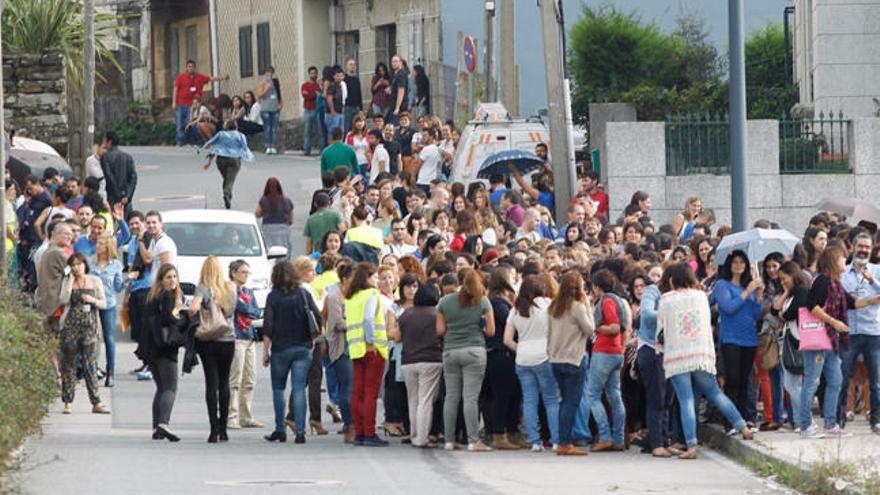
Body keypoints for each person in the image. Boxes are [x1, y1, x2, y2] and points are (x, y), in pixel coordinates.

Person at [659, 262, 753, 459]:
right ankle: (743, 426)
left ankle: (692, 446)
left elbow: (661, 328)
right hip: (701, 353)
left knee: (686, 399)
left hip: (677, 356)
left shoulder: (666, 299)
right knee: (715, 394)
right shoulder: (701, 296)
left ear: (671, 280)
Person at [802, 246, 880, 438]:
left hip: (831, 341)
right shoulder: (822, 281)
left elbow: (853, 303)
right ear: (832, 260)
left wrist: (874, 300)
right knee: (812, 382)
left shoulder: (836, 285)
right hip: (820, 339)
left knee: (836, 380)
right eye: (841, 258)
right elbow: (812, 306)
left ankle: (830, 424)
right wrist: (834, 322)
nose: (844, 260)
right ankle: (805, 425)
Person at [262, 261, 321, 444]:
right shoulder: (303, 294)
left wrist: (266, 350)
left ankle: (280, 429)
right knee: (298, 389)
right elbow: (317, 317)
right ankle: (301, 432)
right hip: (303, 348)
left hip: (280, 348)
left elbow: (268, 326)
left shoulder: (273, 297)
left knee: (279, 389)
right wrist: (312, 338)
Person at [436, 267, 495, 451]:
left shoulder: (445, 301)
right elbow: (491, 331)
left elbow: (440, 331)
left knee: (451, 396)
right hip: (475, 350)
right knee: (470, 397)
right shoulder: (483, 301)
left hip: (450, 351)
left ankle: (448, 439)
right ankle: (472, 440)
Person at [502, 273, 559, 452]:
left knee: (529, 400)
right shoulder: (549, 305)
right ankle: (556, 439)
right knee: (551, 400)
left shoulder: (515, 309)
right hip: (544, 356)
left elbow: (507, 340)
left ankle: (535, 441)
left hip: (523, 359)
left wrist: (522, 348)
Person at [188, 256, 237, 443]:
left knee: (211, 383)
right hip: (227, 339)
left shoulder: (203, 288)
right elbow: (231, 311)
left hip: (208, 340)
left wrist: (200, 311)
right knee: (225, 383)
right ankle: (224, 429)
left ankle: (213, 429)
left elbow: (192, 309)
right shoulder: (230, 288)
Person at [547, 270, 595, 455]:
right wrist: (588, 306)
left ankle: (562, 440)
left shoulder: (553, 307)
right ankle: (565, 443)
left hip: (556, 359)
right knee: (571, 402)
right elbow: (590, 330)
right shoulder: (577, 307)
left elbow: (549, 332)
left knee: (564, 401)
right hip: (574, 358)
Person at [714, 250, 764, 426]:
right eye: (735, 262)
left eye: (742, 262)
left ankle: (744, 419)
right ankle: (730, 420)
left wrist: (758, 297)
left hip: (749, 338)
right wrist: (748, 291)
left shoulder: (747, 287)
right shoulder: (722, 285)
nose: (738, 265)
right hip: (731, 338)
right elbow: (728, 307)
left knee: (745, 380)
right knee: (732, 379)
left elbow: (756, 314)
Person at [58, 253, 111, 415]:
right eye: (73, 265)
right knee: (69, 365)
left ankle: (96, 402)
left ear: (85, 265)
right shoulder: (68, 281)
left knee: (90, 365)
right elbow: (63, 300)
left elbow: (104, 303)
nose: (76, 268)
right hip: (70, 327)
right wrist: (70, 283)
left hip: (90, 328)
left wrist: (92, 300)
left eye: (79, 264)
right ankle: (67, 402)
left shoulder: (95, 281)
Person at [345, 262, 390, 447]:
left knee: (358, 392)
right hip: (373, 348)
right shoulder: (372, 294)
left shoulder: (352, 297)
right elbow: (369, 319)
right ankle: (369, 433)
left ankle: (360, 433)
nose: (377, 280)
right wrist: (371, 341)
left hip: (356, 349)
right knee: (371, 392)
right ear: (367, 278)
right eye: (375, 277)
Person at [839, 233, 880, 433]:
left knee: (875, 379)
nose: (864, 250)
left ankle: (876, 419)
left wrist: (873, 281)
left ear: (872, 249)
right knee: (843, 377)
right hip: (849, 332)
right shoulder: (843, 273)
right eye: (860, 246)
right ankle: (839, 419)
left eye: (867, 247)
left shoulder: (877, 271)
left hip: (872, 331)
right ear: (852, 247)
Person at [145, 263, 188, 442]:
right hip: (165, 348)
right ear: (161, 280)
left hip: (151, 348)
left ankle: (156, 427)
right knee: (170, 387)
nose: (172, 281)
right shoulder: (167, 296)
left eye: (174, 277)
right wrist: (179, 310)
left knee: (161, 388)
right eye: (168, 277)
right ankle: (163, 423)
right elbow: (168, 320)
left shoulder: (153, 296)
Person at [398, 281, 444, 448]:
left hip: (408, 360)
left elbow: (396, 337)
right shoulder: (437, 314)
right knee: (425, 400)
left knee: (413, 399)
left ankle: (415, 434)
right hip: (431, 359)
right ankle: (422, 438)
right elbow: (442, 334)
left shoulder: (406, 314)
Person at [587, 269, 628, 452]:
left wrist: (596, 327)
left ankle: (605, 436)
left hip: (604, 352)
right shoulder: (619, 300)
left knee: (593, 395)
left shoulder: (607, 301)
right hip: (617, 352)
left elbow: (614, 327)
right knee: (614, 396)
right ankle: (618, 438)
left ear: (597, 286)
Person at [771, 260, 809, 430]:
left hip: (798, 341)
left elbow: (790, 313)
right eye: (780, 280)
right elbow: (774, 310)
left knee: (793, 384)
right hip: (788, 342)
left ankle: (804, 421)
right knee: (792, 384)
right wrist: (786, 292)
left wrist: (783, 313)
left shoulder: (802, 291)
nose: (782, 281)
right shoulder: (791, 293)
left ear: (793, 275)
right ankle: (801, 421)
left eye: (784, 278)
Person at [635, 269, 670, 456]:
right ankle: (657, 443)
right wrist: (670, 313)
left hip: (667, 350)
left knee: (665, 399)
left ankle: (662, 440)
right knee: (656, 396)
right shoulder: (652, 291)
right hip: (650, 348)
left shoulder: (675, 295)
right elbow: (647, 314)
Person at [227, 259, 264, 430]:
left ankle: (246, 415)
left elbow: (256, 311)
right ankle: (231, 416)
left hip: (249, 335)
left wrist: (247, 308)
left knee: (250, 379)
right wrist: (247, 308)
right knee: (235, 378)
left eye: (248, 272)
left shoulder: (248, 291)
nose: (246, 275)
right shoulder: (229, 289)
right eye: (243, 272)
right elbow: (237, 307)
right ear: (234, 273)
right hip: (236, 336)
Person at [325, 260, 356, 443]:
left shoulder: (357, 296)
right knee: (347, 387)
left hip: (357, 347)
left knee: (355, 388)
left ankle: (354, 422)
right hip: (342, 349)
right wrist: (357, 324)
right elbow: (337, 323)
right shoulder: (335, 297)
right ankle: (348, 423)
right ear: (345, 279)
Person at [90, 234, 125, 387]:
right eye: (98, 243)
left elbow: (118, 287)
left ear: (108, 246)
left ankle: (110, 371)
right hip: (92, 303)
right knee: (92, 337)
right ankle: (92, 369)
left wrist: (126, 280)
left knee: (109, 338)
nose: (98, 245)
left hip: (108, 304)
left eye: (101, 243)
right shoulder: (91, 262)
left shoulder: (116, 264)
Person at [199, 120, 254, 209]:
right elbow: (245, 148)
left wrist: (209, 162)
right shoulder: (240, 135)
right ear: (236, 127)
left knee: (227, 178)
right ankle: (227, 194)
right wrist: (248, 157)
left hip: (221, 160)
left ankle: (228, 195)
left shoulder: (221, 134)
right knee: (230, 179)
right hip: (235, 160)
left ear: (226, 127)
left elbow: (214, 145)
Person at [173, 60, 228, 146]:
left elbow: (211, 78)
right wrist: (174, 102)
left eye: (192, 66)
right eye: (189, 66)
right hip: (181, 103)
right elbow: (175, 89)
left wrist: (223, 78)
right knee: (179, 124)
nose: (190, 68)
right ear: (186, 68)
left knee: (190, 123)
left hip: (193, 105)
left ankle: (195, 141)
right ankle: (179, 142)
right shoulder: (181, 77)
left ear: (195, 68)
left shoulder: (199, 77)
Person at [100, 131, 137, 215]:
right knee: (127, 221)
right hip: (126, 199)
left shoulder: (105, 157)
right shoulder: (127, 157)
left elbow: (108, 176)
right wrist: (127, 195)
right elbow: (133, 178)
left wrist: (118, 195)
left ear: (109, 141)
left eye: (105, 140)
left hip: (112, 197)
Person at [255, 177, 294, 256]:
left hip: (268, 228)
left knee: (269, 249)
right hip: (283, 228)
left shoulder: (264, 200)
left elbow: (257, 214)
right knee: (284, 248)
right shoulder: (286, 200)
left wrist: (265, 212)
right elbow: (291, 220)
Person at [142, 211, 177, 281]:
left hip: (163, 287)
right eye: (148, 223)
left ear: (161, 224)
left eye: (154, 222)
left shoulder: (165, 242)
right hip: (155, 286)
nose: (151, 225)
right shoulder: (153, 241)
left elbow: (167, 270)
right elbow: (148, 262)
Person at [257, 66, 282, 154]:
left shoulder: (275, 82)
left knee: (274, 128)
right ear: (265, 74)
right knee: (267, 127)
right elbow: (259, 95)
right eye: (268, 72)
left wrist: (280, 104)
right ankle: (268, 146)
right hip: (265, 108)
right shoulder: (262, 83)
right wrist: (267, 88)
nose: (269, 74)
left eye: (271, 72)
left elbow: (279, 93)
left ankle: (273, 146)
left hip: (275, 108)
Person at [301, 66, 324, 155]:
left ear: (317, 74)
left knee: (320, 131)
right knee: (307, 131)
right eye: (311, 73)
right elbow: (306, 96)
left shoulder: (319, 85)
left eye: (315, 73)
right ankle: (307, 150)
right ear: (309, 74)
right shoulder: (304, 85)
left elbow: (321, 95)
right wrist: (315, 94)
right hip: (308, 110)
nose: (313, 75)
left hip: (318, 110)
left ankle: (322, 150)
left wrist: (316, 93)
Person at [413, 127, 441, 194]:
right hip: (433, 181)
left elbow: (418, 164)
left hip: (423, 181)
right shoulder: (438, 149)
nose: (423, 137)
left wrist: (413, 176)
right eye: (422, 135)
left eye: (425, 135)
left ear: (431, 136)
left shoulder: (426, 149)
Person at [345, 113, 370, 182]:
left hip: (366, 162)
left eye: (361, 121)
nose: (359, 123)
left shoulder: (369, 133)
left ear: (364, 122)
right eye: (357, 121)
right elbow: (347, 150)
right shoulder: (350, 135)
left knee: (366, 182)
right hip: (354, 163)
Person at [324, 66, 345, 138]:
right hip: (332, 114)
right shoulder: (332, 86)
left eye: (341, 75)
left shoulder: (341, 86)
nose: (339, 77)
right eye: (337, 76)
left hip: (340, 112)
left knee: (341, 132)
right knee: (332, 133)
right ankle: (331, 148)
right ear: (334, 76)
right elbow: (329, 99)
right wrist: (332, 110)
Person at [343, 59, 363, 133]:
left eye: (354, 64)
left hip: (356, 107)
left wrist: (361, 109)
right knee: (347, 129)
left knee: (356, 128)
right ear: (347, 66)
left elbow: (359, 94)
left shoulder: (356, 79)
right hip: (347, 108)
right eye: (350, 64)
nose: (352, 66)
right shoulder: (344, 80)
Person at [389, 55, 409, 124]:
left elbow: (401, 90)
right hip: (393, 104)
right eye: (392, 61)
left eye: (396, 61)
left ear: (400, 62)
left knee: (397, 125)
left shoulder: (401, 74)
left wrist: (397, 107)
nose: (394, 63)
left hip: (400, 106)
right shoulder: (396, 74)